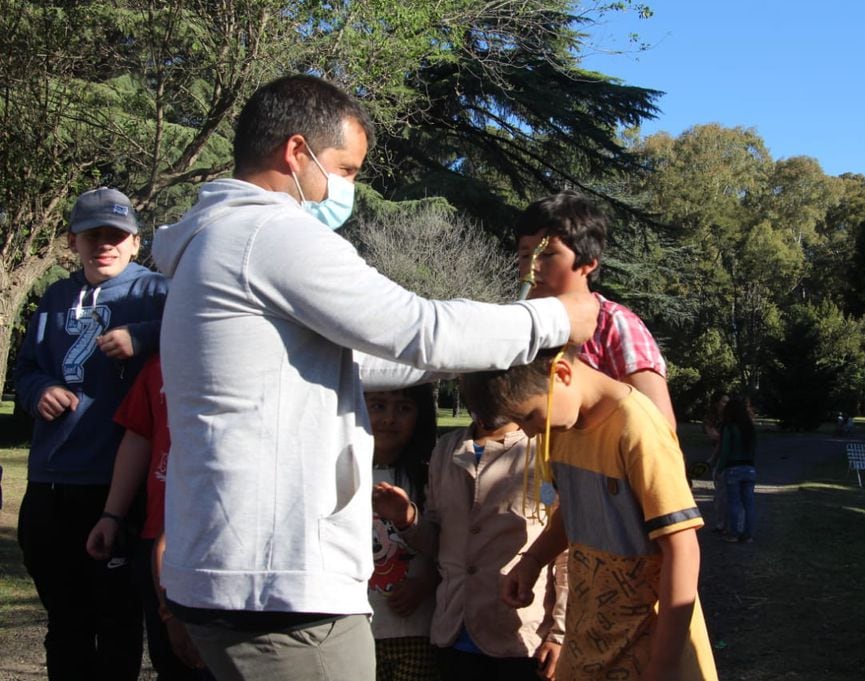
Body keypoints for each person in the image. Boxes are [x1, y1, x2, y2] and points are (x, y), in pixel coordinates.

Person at [152, 74, 597, 681]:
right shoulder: (272, 233)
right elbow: (414, 327)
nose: (349, 188)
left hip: (234, 576)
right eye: (348, 169)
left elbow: (366, 359)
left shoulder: (218, 243)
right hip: (278, 590)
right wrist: (550, 318)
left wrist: (473, 350)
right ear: (296, 152)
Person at [461, 347, 718, 680]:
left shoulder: (637, 429)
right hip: (588, 649)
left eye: (528, 416)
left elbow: (683, 548)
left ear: (562, 375)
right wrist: (533, 560)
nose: (528, 432)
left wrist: (664, 664)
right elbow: (572, 511)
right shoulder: (561, 428)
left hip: (650, 652)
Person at [14, 186, 168, 680]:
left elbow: (197, 329)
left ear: (135, 243)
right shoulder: (56, 297)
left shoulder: (156, 292)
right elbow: (26, 369)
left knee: (119, 622)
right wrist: (38, 390)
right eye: (92, 235)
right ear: (72, 242)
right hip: (51, 479)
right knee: (64, 622)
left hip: (118, 487)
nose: (105, 244)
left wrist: (140, 335)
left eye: (116, 236)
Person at [372, 383, 566, 681]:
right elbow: (439, 544)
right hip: (452, 635)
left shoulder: (544, 450)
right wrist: (407, 518)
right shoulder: (446, 449)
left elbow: (566, 549)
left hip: (519, 637)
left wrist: (560, 633)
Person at [85, 356, 211, 679]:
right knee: (171, 660)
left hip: (215, 544)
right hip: (156, 539)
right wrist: (111, 514)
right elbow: (139, 435)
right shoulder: (160, 363)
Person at [514, 190, 677, 430]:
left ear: (589, 263)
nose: (531, 267)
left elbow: (659, 426)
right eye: (525, 255)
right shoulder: (523, 328)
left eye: (547, 254)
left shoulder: (614, 324)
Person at [365, 385, 440, 681]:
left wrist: (428, 583)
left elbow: (451, 545)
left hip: (416, 632)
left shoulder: (431, 474)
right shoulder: (340, 471)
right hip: (353, 631)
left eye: (404, 408)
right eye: (378, 405)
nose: (389, 419)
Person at [715, 396, 756, 544]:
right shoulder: (749, 428)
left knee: (734, 502)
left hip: (733, 468)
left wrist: (720, 468)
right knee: (749, 503)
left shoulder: (729, 427)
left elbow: (725, 450)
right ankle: (749, 535)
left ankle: (734, 534)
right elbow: (753, 450)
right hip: (750, 468)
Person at [704, 392, 730, 533]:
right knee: (720, 493)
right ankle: (721, 522)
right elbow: (714, 436)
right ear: (716, 403)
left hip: (727, 458)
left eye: (728, 402)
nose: (726, 405)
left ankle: (727, 523)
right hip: (719, 458)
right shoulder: (712, 419)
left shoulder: (732, 418)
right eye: (723, 402)